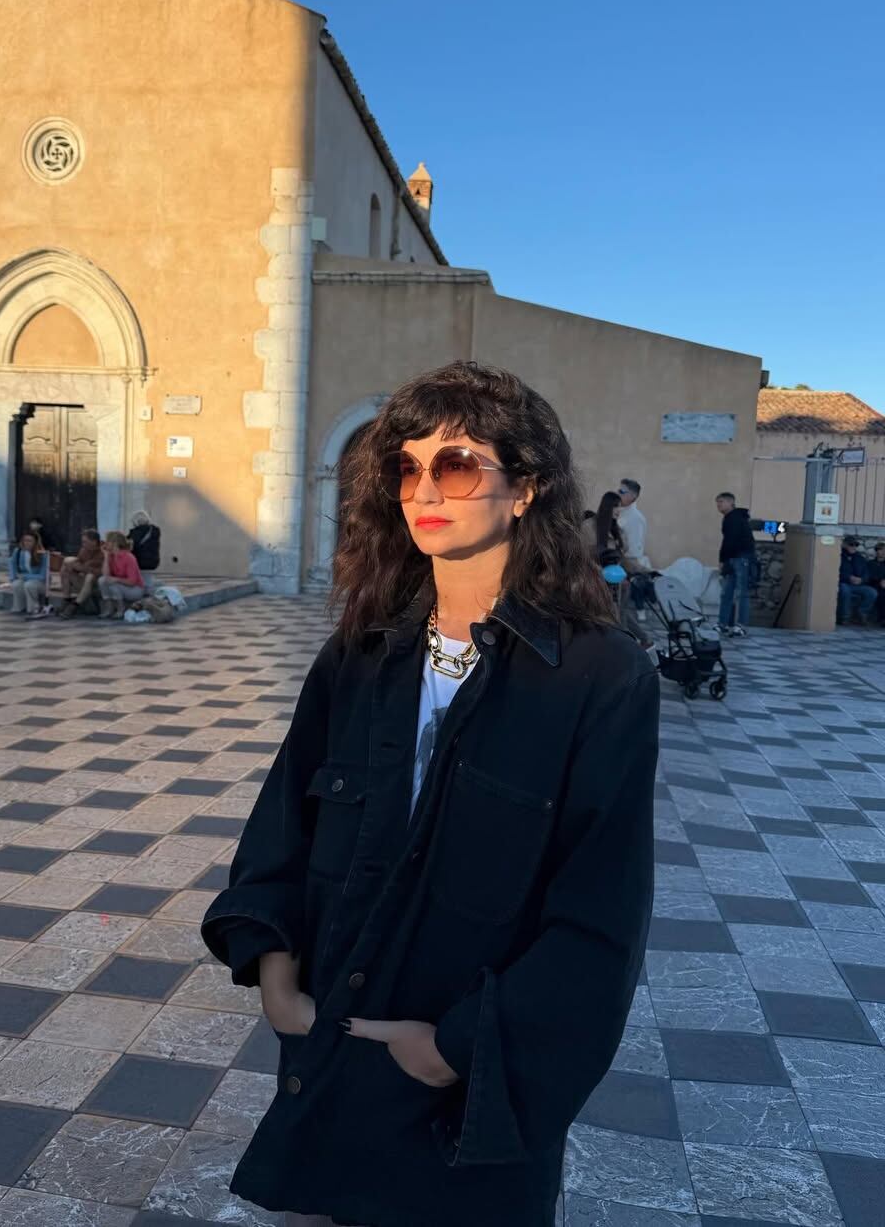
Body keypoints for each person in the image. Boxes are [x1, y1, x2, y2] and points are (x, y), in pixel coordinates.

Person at [201, 361, 660, 1227]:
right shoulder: (359, 653)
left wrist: (451, 1048)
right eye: (406, 468)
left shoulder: (601, 676)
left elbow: (601, 912)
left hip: (469, 1093)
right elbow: (283, 825)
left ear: (524, 487)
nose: (424, 489)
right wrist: (276, 976)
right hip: (336, 1053)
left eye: (455, 465)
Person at [589, 491, 653, 651]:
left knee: (621, 614)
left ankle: (632, 645)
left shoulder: (617, 530)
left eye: (621, 508)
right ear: (608, 507)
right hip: (598, 582)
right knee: (612, 617)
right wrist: (600, 573)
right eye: (616, 507)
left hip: (620, 583)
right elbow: (583, 556)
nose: (619, 511)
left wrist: (645, 570)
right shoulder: (590, 527)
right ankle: (625, 646)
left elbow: (624, 559)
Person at [716, 492, 756, 637]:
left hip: (741, 558)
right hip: (732, 559)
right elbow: (727, 541)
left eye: (721, 502)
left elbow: (731, 541)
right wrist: (724, 560)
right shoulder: (729, 518)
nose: (718, 505)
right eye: (717, 502)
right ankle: (723, 624)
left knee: (742, 593)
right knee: (726, 593)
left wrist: (722, 560)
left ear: (730, 502)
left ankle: (741, 625)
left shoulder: (736, 518)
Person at [98, 531, 146, 619]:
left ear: (114, 543)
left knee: (113, 584)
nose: (105, 543)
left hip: (135, 589)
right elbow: (105, 575)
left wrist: (116, 580)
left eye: (107, 541)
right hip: (121, 586)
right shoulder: (111, 556)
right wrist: (106, 556)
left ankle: (121, 609)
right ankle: (109, 608)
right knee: (102, 580)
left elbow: (132, 582)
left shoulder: (128, 557)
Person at [59, 529, 104, 619]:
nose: (83, 544)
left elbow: (100, 572)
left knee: (90, 577)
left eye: (85, 542)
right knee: (65, 569)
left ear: (94, 542)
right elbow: (78, 563)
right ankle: (66, 599)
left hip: (97, 585)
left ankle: (75, 605)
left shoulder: (102, 553)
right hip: (83, 582)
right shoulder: (84, 550)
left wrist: (82, 568)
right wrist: (73, 565)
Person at [6, 531, 50, 617]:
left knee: (29, 585)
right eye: (25, 540)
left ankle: (33, 609)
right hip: (25, 580)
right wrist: (13, 578)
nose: (26, 543)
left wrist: (25, 576)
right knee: (16, 584)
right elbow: (12, 563)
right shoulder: (18, 551)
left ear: (35, 542)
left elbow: (42, 576)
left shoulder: (42, 554)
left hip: (41, 583)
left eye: (30, 541)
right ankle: (18, 607)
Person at [837, 536, 877, 627]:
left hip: (858, 585)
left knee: (872, 592)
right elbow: (835, 571)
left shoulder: (859, 558)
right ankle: (844, 617)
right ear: (844, 545)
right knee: (845, 590)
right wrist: (848, 578)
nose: (854, 546)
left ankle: (861, 614)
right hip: (843, 583)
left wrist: (862, 579)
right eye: (851, 544)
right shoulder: (838, 556)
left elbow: (866, 573)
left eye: (856, 545)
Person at [617, 478, 651, 573]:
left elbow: (634, 553)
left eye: (622, 491)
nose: (618, 494)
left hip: (629, 569)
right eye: (618, 490)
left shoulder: (636, 518)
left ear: (633, 496)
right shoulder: (619, 512)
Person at [129, 509, 161, 574]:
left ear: (135, 521)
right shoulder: (155, 530)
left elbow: (131, 547)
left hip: (139, 562)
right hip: (154, 562)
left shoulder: (135, 533)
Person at [867, 541, 885, 626]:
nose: (882, 552)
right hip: (874, 585)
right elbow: (868, 576)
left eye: (884, 550)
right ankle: (882, 619)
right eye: (880, 550)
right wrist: (879, 581)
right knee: (881, 595)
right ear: (876, 551)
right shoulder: (870, 564)